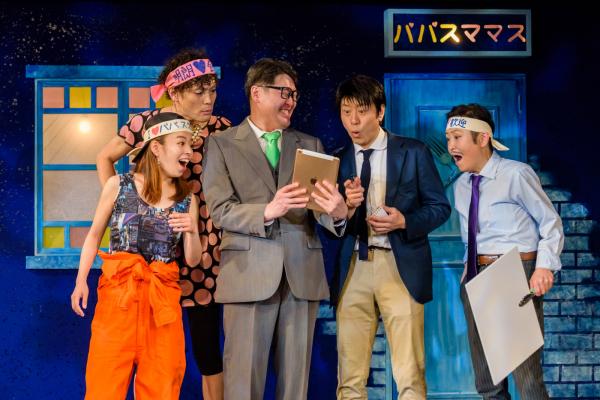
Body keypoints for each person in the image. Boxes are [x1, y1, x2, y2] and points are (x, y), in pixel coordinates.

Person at [201, 58, 348, 400]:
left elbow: (321, 210)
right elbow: (220, 210)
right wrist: (268, 211)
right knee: (243, 383)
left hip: (301, 275)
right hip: (247, 275)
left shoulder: (310, 145)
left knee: (295, 384)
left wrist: (339, 214)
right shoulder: (222, 144)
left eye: (294, 94)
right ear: (257, 93)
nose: (291, 101)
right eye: (284, 92)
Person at [96, 48, 230, 400]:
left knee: (207, 348)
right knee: (140, 349)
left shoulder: (222, 130)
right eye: (199, 91)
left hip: (201, 251)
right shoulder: (147, 124)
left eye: (212, 90)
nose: (208, 99)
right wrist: (126, 211)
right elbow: (105, 157)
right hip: (150, 256)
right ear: (175, 92)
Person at [330, 74, 451, 399]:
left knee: (409, 374)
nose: (353, 121)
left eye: (362, 112)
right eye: (346, 112)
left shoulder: (413, 152)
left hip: (399, 266)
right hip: (354, 266)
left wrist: (404, 221)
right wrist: (345, 210)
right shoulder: (337, 160)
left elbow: (440, 208)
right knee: (349, 378)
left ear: (380, 111)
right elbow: (327, 222)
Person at [71, 112, 202, 399]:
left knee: (162, 387)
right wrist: (81, 281)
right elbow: (94, 235)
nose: (189, 153)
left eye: (190, 146)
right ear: (156, 148)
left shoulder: (187, 199)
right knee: (104, 386)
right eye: (181, 143)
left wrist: (192, 230)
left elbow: (193, 260)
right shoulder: (118, 185)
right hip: (119, 299)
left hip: (162, 306)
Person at [445, 103, 564, 399]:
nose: (451, 146)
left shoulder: (516, 174)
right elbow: (470, 238)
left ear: (483, 138)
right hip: (476, 274)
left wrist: (544, 266)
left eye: (457, 138)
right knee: (486, 376)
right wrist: (467, 274)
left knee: (526, 376)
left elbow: (550, 222)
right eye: (448, 139)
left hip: (514, 272)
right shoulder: (461, 186)